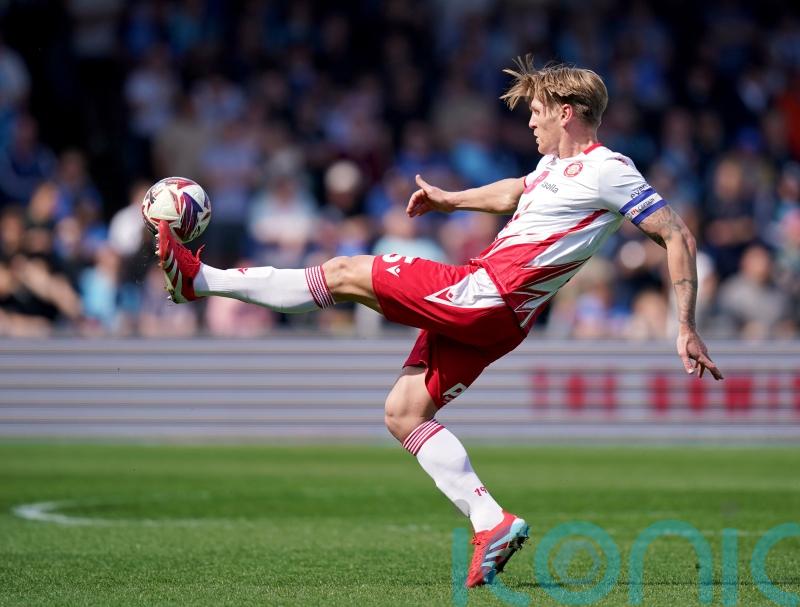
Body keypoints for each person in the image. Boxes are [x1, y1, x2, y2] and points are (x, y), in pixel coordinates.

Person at [155, 56, 724, 588]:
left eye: (536, 111)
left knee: (348, 270)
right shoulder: (556, 167)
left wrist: (685, 325)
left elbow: (677, 233)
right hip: (501, 316)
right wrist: (450, 200)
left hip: (489, 294)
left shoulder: (610, 171)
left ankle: (200, 280)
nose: (530, 121)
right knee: (403, 413)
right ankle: (491, 519)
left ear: (566, 113)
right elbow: (514, 192)